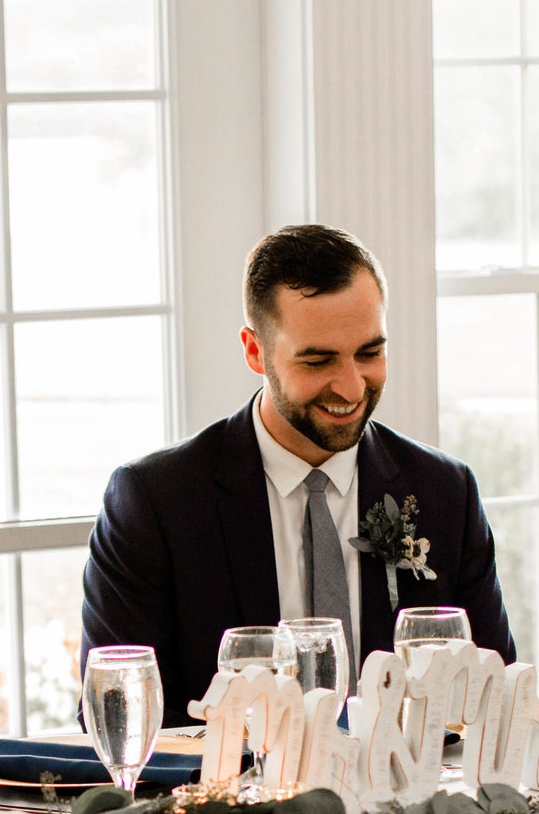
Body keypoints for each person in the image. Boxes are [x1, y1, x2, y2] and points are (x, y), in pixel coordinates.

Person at [79, 224, 515, 726]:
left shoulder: (444, 492)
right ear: (254, 351)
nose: (351, 387)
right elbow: (116, 714)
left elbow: (495, 697)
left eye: (369, 353)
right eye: (318, 359)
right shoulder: (155, 502)